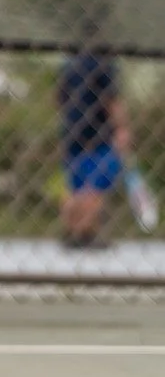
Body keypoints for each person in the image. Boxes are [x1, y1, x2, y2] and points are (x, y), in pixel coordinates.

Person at [58, 28, 132, 248]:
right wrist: (123, 128)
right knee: (96, 186)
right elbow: (112, 100)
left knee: (76, 187)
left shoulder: (69, 66)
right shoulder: (106, 66)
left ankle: (72, 231)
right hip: (100, 134)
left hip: (72, 134)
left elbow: (59, 99)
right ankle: (84, 233)